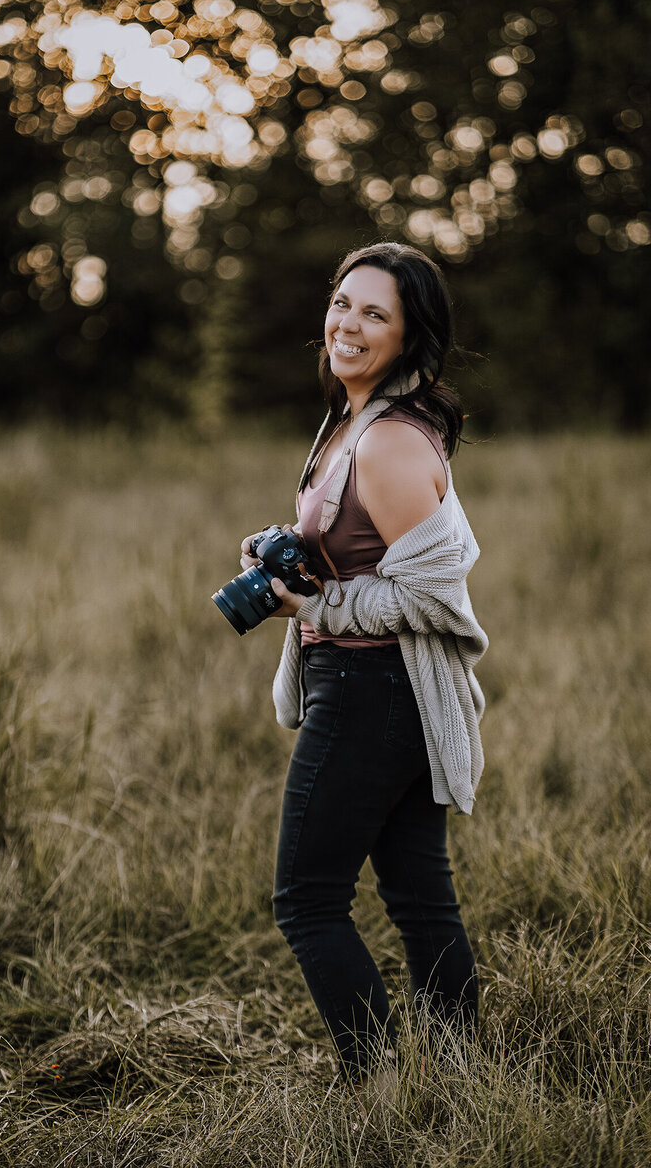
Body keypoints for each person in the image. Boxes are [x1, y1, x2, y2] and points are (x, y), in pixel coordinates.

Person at [239, 241, 488, 1092]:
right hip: (382, 691)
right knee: (421, 898)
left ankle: (380, 1082)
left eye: (374, 313)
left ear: (411, 335)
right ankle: (453, 1079)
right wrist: (293, 555)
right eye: (343, 303)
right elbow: (372, 560)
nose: (347, 324)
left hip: (374, 691)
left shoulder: (386, 443)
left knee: (307, 902)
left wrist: (308, 606)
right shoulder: (349, 425)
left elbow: (434, 599)